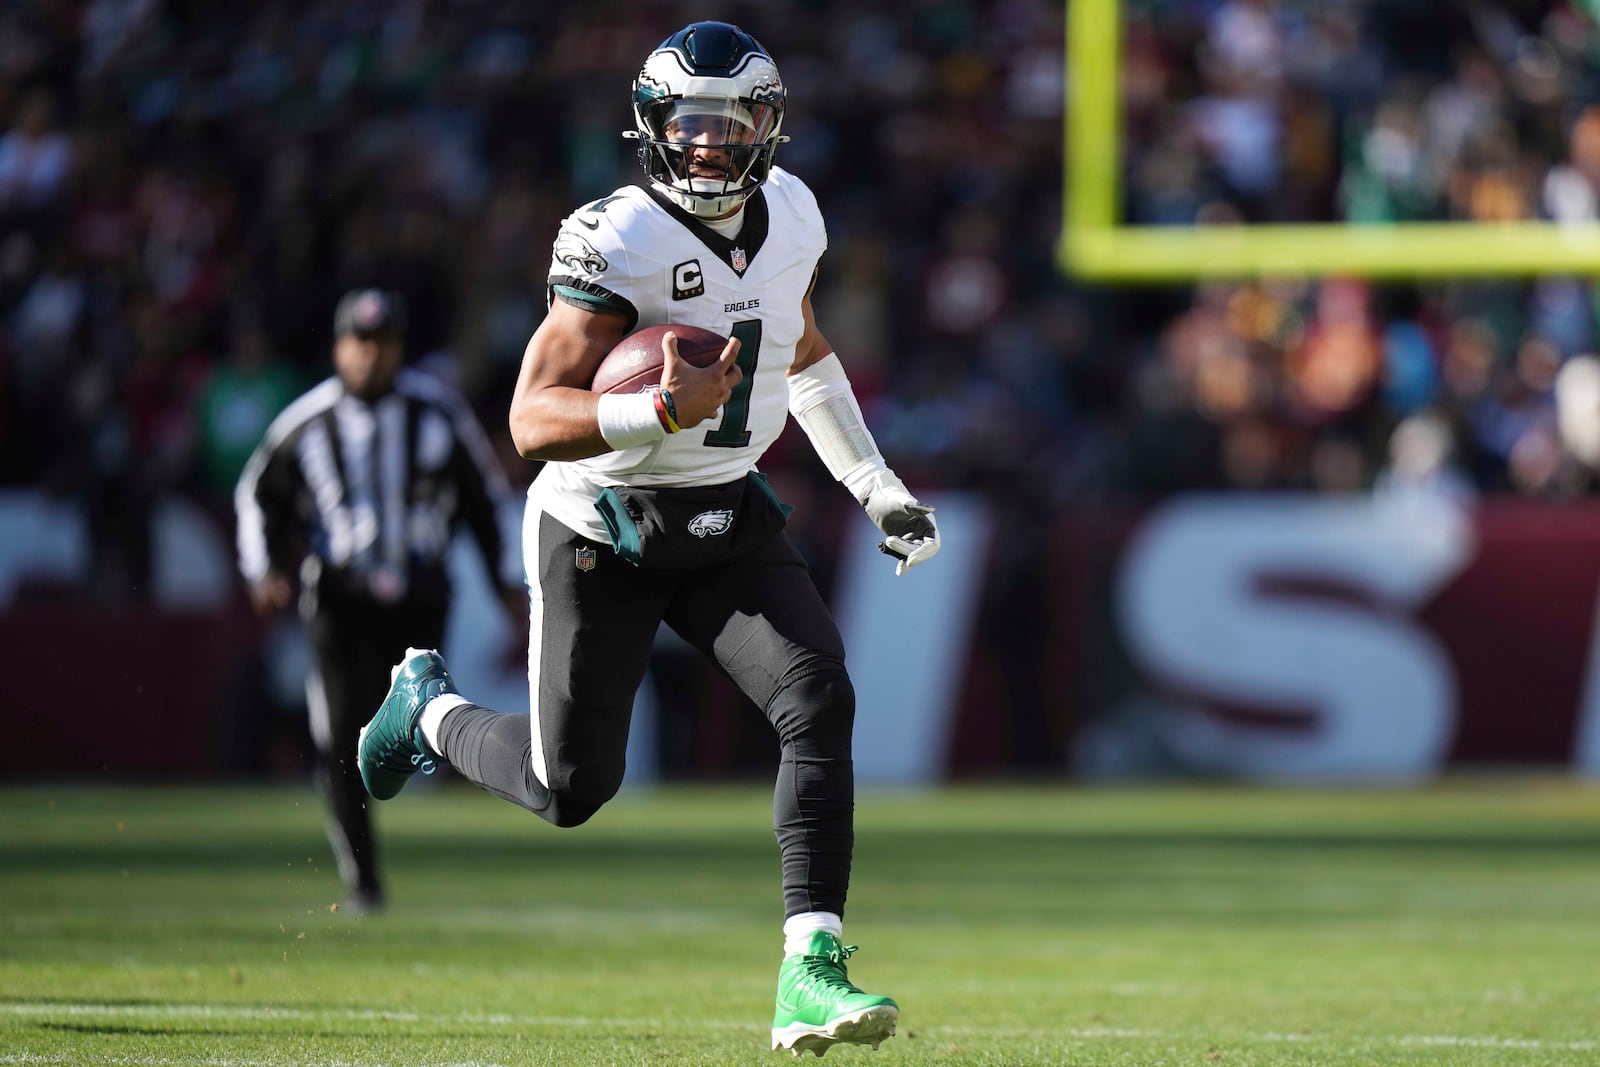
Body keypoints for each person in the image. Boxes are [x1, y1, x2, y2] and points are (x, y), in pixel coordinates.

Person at [356, 21, 939, 1056]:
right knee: (568, 789)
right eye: (689, 122)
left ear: (770, 129)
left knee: (817, 693)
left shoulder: (794, 212)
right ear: (652, 127)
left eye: (731, 122)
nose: (709, 144)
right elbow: (532, 418)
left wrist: (873, 483)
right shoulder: (616, 236)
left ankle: (810, 964)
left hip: (722, 508)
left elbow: (802, 352)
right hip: (605, 526)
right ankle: (429, 708)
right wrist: (652, 415)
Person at [235, 288, 523, 912]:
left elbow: (483, 499)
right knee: (340, 730)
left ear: (399, 349)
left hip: (420, 593)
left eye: (383, 342)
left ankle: (450, 800)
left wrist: (505, 583)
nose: (371, 355)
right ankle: (363, 876)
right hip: (339, 595)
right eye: (360, 342)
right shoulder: (308, 422)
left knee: (423, 718)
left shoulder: (437, 414)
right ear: (340, 347)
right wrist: (262, 569)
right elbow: (258, 493)